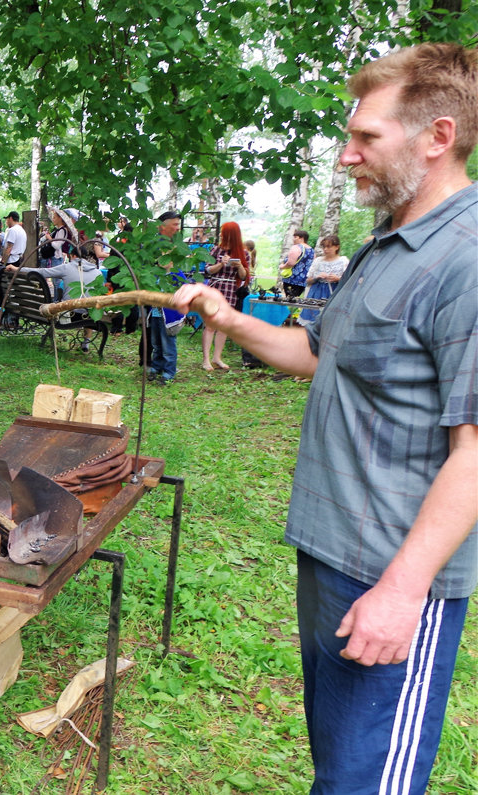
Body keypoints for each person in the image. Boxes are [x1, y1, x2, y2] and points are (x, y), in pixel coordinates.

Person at [172, 43, 477, 794]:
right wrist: (226, 316)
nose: (347, 156)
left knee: (365, 781)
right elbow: (317, 351)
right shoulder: (391, 241)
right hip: (335, 554)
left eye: (366, 137)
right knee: (337, 767)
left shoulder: (467, 258)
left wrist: (403, 591)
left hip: (392, 571)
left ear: (437, 136)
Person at [200, 220, 249, 371]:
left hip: (230, 290)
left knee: (223, 326)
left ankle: (217, 357)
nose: (221, 234)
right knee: (210, 325)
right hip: (216, 288)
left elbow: (243, 276)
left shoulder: (243, 253)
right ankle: (206, 360)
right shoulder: (216, 250)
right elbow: (208, 271)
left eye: (224, 232)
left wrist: (240, 265)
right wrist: (221, 264)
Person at [146, 210, 184, 385]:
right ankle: (156, 367)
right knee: (156, 341)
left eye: (178, 224)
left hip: (168, 306)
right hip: (154, 306)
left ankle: (169, 372)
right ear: (163, 225)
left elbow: (182, 278)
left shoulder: (178, 248)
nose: (177, 228)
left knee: (168, 341)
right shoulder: (152, 245)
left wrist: (170, 269)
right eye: (174, 224)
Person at [297, 235, 348, 327]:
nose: (325, 249)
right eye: (324, 247)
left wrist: (338, 278)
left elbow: (349, 281)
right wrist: (317, 277)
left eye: (329, 246)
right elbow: (308, 281)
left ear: (337, 247)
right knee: (312, 322)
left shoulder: (343, 261)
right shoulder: (318, 261)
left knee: (330, 323)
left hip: (334, 293)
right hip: (316, 294)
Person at [282, 228, 315, 297]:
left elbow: (291, 263)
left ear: (302, 238)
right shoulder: (312, 251)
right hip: (303, 281)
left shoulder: (296, 247)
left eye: (295, 237)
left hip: (291, 279)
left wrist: (282, 266)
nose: (293, 239)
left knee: (289, 298)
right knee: (296, 298)